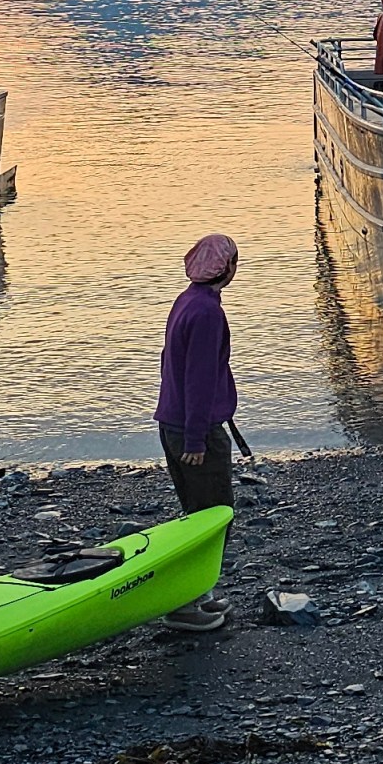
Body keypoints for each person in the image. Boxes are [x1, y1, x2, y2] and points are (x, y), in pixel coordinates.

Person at [155, 233, 241, 632]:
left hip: (172, 422)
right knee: (214, 517)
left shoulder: (186, 300)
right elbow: (199, 379)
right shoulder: (208, 313)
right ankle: (185, 603)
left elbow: (169, 365)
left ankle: (197, 594)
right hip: (196, 430)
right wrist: (195, 439)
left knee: (196, 514)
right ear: (227, 268)